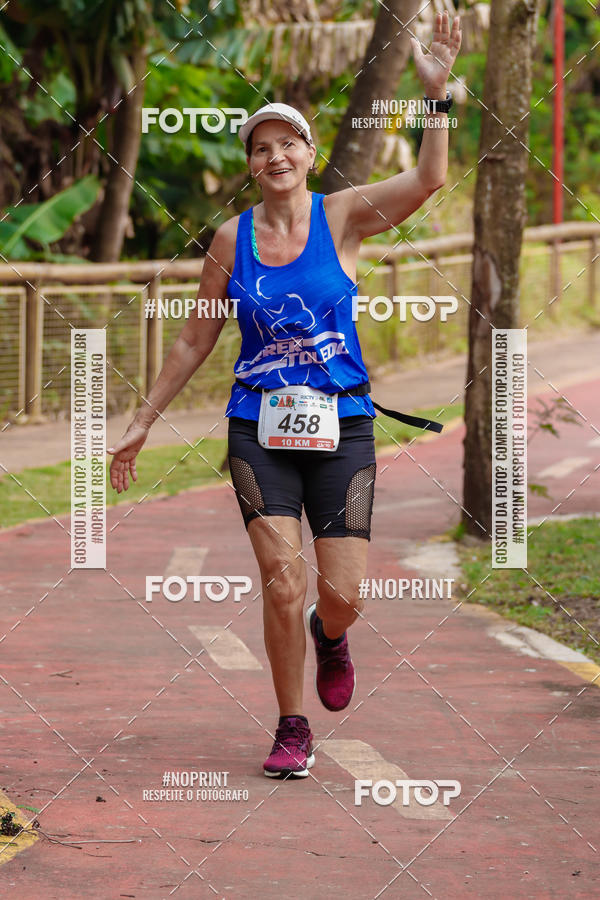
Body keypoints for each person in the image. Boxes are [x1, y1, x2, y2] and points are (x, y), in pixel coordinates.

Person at [109, 11, 462, 779]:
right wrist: (139, 421)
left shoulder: (345, 216)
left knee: (342, 594)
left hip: (344, 424)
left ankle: (330, 635)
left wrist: (433, 97)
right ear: (252, 164)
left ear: (308, 154)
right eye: (260, 147)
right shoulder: (231, 241)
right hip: (257, 427)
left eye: (288, 143)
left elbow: (432, 179)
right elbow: (193, 338)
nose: (275, 155)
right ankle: (292, 724)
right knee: (279, 576)